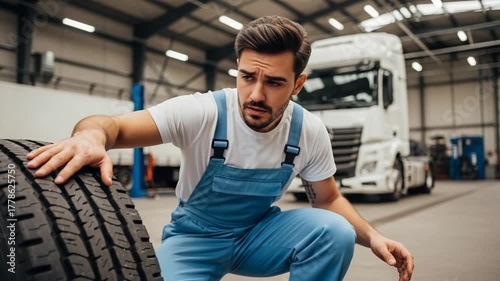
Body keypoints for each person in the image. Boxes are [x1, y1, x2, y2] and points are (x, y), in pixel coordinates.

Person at [26, 15, 414, 281]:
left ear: (298, 84)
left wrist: (374, 236)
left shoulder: (309, 130)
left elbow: (328, 200)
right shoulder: (202, 112)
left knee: (335, 232)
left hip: (259, 235)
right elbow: (113, 126)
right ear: (238, 70)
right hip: (194, 240)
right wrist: (90, 137)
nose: (256, 95)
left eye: (275, 83)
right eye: (248, 77)